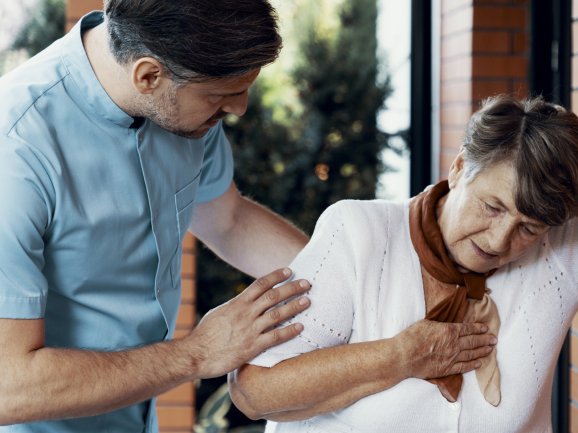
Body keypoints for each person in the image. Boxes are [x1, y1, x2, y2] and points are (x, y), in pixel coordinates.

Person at [0, 2, 495, 431]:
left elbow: (230, 221)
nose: (238, 109)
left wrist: (373, 296)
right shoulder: (17, 152)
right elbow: (9, 387)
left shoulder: (179, 102)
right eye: (221, 97)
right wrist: (197, 354)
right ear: (148, 75)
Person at [228, 94, 578, 432]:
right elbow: (254, 390)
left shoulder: (560, 249)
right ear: (460, 166)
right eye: (492, 207)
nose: (501, 238)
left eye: (529, 227)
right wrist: (398, 356)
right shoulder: (358, 235)